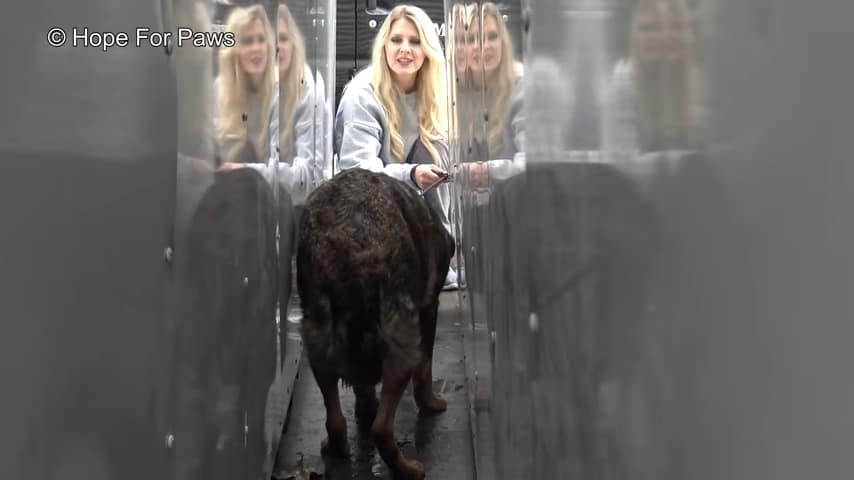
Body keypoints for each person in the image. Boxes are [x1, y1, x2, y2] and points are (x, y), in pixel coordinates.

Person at [334, 4, 458, 289]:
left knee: (436, 145)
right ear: (384, 45)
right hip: (370, 210)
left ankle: (438, 258)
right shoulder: (362, 95)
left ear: (427, 48)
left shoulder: (436, 90)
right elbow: (358, 174)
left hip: (416, 215)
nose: (405, 49)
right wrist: (411, 175)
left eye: (415, 41)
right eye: (397, 40)